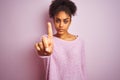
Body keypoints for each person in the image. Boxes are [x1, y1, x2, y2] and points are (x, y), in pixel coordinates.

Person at [35, 0, 87, 80]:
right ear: (53, 20)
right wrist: (44, 53)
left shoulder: (79, 42)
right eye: (58, 20)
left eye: (65, 21)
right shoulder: (48, 41)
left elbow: (83, 69)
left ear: (70, 21)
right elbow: (45, 53)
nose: (61, 25)